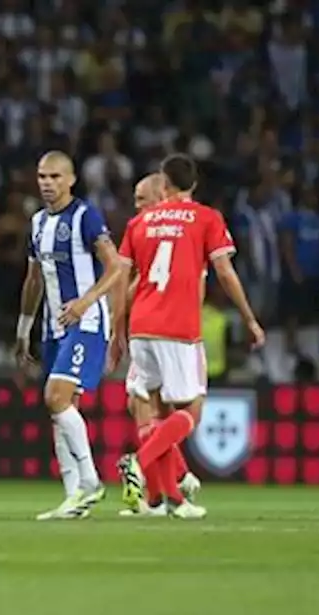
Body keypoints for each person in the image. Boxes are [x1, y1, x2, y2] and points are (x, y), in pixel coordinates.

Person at [70, 154, 264, 519]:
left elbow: (121, 279)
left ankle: (164, 500)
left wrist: (117, 330)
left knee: (152, 410)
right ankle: (139, 465)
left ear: (164, 184)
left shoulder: (139, 223)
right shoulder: (206, 218)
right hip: (178, 326)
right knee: (192, 410)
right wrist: (250, 318)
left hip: (141, 324)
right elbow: (224, 272)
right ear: (194, 183)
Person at [14, 151, 124, 520]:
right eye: (42, 176)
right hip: (52, 327)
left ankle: (91, 481)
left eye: (55, 177)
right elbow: (33, 280)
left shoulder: (84, 216)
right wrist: (23, 329)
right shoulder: (37, 222)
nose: (47, 183)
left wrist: (86, 301)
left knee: (56, 397)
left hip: (87, 321)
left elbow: (116, 266)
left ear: (71, 179)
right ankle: (73, 497)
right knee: (58, 410)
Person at [115, 173, 201, 517]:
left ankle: (166, 486)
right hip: (156, 332)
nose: (136, 207)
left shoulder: (181, 233)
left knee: (175, 414)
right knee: (149, 410)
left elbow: (195, 287)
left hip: (173, 333)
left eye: (141, 199)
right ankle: (162, 496)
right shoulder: (149, 232)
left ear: (163, 196)